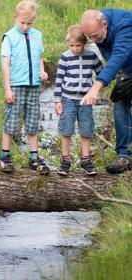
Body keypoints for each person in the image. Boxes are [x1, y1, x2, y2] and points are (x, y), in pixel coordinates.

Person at [0, 0, 50, 173]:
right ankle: (4, 156)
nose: (26, 26)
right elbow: (5, 63)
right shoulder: (9, 37)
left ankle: (33, 157)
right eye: (23, 22)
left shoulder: (38, 35)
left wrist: (42, 71)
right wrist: (7, 88)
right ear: (15, 17)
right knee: (11, 120)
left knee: (32, 122)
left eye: (29, 23)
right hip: (16, 85)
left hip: (34, 85)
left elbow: (39, 56)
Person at [80, 9, 132, 174]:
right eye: (90, 38)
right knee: (120, 102)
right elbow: (108, 53)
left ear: (105, 24)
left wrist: (96, 87)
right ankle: (124, 155)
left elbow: (119, 54)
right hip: (128, 69)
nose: (94, 40)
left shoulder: (125, 25)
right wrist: (122, 75)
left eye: (95, 35)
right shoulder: (97, 29)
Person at [54, 25, 103, 176]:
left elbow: (101, 73)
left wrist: (96, 92)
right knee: (66, 129)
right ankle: (65, 160)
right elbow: (59, 80)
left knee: (86, 129)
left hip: (85, 100)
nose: (75, 49)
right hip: (68, 99)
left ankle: (86, 160)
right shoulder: (65, 57)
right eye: (72, 45)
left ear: (85, 43)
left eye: (78, 45)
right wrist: (57, 100)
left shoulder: (92, 56)